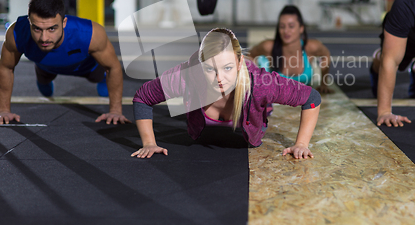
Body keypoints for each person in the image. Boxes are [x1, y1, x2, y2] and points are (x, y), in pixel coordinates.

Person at [131, 28, 321, 159]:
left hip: (254, 95)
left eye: (227, 68)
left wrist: (302, 144)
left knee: (262, 98)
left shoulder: (261, 84)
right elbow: (143, 97)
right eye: (209, 70)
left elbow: (311, 98)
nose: (219, 78)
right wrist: (149, 143)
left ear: (239, 63)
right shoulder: (188, 76)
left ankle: (263, 95)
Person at [0, 0, 129, 125]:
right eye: (37, 29)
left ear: (64, 22)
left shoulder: (90, 33)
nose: (44, 38)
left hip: (86, 67)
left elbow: (113, 66)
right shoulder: (16, 32)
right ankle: (43, 77)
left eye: (52, 29)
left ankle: (101, 79)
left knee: (102, 87)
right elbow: (6, 67)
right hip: (45, 66)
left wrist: (115, 111)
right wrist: (3, 110)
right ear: (29, 22)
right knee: (45, 90)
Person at [248, 5, 332, 94]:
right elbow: (249, 55)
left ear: (301, 28)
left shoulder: (311, 47)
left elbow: (326, 55)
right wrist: (255, 81)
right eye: (282, 26)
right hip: (266, 67)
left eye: (291, 26)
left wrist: (324, 83)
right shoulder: (268, 47)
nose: (286, 31)